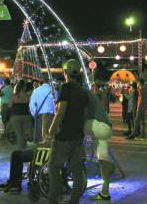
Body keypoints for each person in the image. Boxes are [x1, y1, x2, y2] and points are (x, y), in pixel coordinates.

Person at [48, 59, 88, 204]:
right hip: (77, 138)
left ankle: (53, 200)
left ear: (65, 72)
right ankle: (74, 201)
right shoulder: (83, 91)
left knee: (53, 169)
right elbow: (85, 113)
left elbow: (61, 112)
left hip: (63, 138)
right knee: (77, 173)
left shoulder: (65, 88)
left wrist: (51, 130)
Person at [85, 88, 113, 201]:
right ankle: (105, 192)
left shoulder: (86, 99)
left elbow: (84, 114)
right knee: (103, 158)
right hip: (106, 128)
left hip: (100, 127)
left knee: (78, 124)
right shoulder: (96, 103)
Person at [29, 76, 57, 143]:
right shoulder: (54, 91)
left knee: (40, 138)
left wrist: (34, 114)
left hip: (40, 116)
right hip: (52, 116)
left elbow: (31, 105)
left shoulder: (36, 91)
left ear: (41, 82)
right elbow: (56, 104)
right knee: (51, 137)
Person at [9, 80, 32, 149]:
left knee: (19, 134)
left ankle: (20, 150)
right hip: (26, 116)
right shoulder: (28, 96)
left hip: (16, 116)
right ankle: (24, 148)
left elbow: (10, 106)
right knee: (24, 134)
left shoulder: (14, 96)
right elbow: (30, 106)